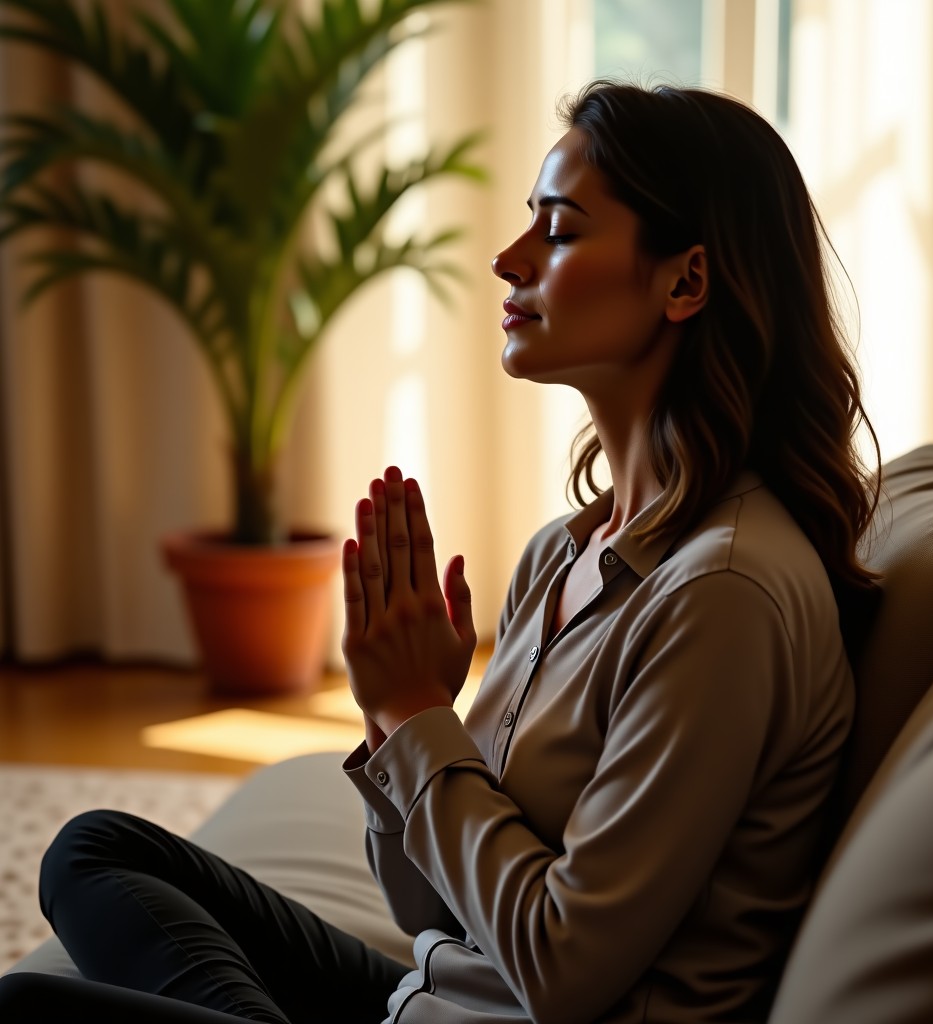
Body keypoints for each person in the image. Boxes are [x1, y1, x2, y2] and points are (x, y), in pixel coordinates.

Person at [0, 80, 879, 1023]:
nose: (507, 260)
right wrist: (393, 720)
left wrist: (424, 719)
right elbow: (427, 909)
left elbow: (564, 972)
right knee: (94, 851)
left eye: (560, 230)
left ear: (686, 281)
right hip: (436, 996)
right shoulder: (566, 552)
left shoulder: (724, 592)